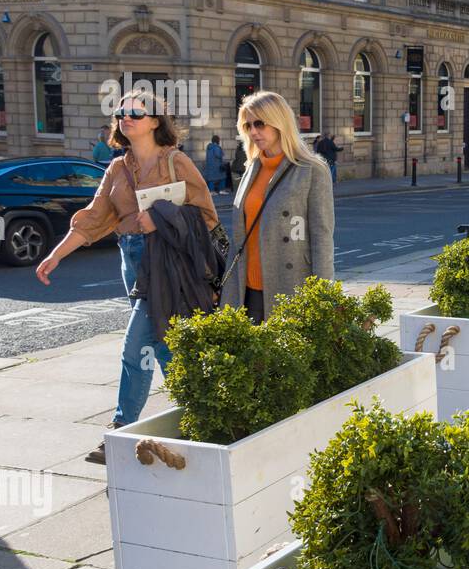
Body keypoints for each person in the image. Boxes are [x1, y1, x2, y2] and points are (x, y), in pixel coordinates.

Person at [36, 91, 219, 463]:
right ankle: (202, 414)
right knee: (163, 343)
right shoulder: (117, 168)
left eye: (137, 112)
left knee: (135, 346)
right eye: (121, 113)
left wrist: (162, 217)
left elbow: (206, 216)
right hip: (132, 261)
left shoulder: (177, 162)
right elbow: (94, 217)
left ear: (155, 121)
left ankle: (120, 432)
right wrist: (55, 255)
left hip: (166, 263)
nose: (126, 117)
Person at [221, 91, 335, 324]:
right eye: (248, 125)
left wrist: (324, 297)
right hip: (246, 289)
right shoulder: (252, 168)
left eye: (260, 123)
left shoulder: (311, 170)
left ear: (279, 122)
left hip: (289, 285)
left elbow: (322, 237)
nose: (253, 131)